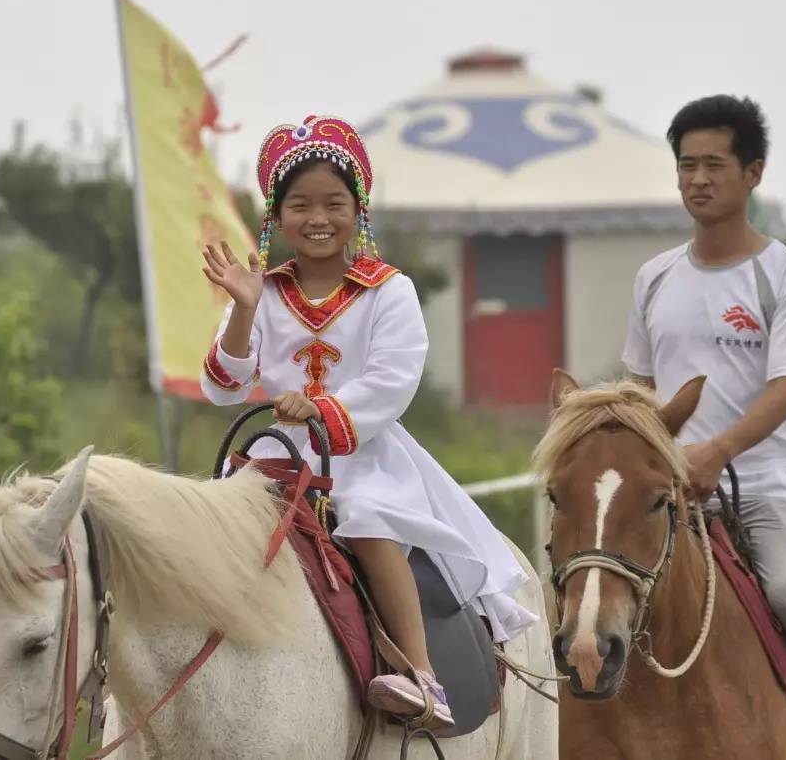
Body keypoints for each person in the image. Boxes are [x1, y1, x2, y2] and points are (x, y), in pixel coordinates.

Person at [199, 114, 536, 729]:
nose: (318, 218)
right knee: (203, 530)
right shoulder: (263, 292)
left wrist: (324, 409)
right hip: (273, 453)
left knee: (371, 520)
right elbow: (224, 384)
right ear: (275, 217)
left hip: (362, 452)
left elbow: (392, 381)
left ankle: (420, 675)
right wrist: (244, 311)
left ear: (360, 210)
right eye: (299, 204)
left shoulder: (390, 292)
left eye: (334, 202)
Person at [621, 95, 786, 760]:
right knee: (591, 587)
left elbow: (785, 389)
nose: (697, 180)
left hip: (764, 486)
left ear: (754, 173)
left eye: (714, 164)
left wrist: (716, 452)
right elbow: (638, 390)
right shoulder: (654, 278)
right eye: (687, 166)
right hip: (670, 491)